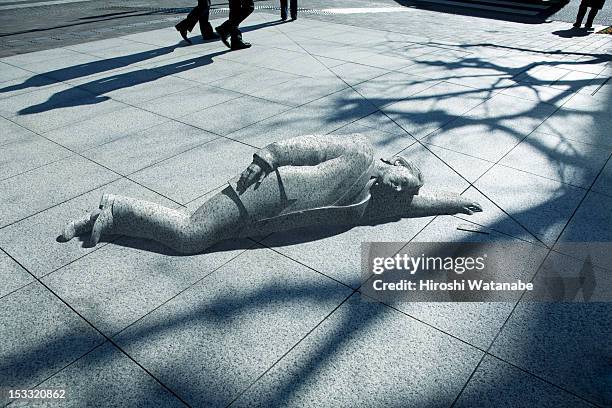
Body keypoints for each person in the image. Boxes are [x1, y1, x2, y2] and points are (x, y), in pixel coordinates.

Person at [59, 134, 482, 255]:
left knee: (195, 236)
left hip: (265, 219)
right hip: (263, 190)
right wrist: (267, 157)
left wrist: (454, 201)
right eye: (399, 180)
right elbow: (308, 146)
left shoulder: (371, 201)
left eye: (401, 190)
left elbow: (412, 206)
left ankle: (118, 216)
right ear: (392, 164)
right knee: (190, 235)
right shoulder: (360, 153)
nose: (396, 189)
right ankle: (117, 210)